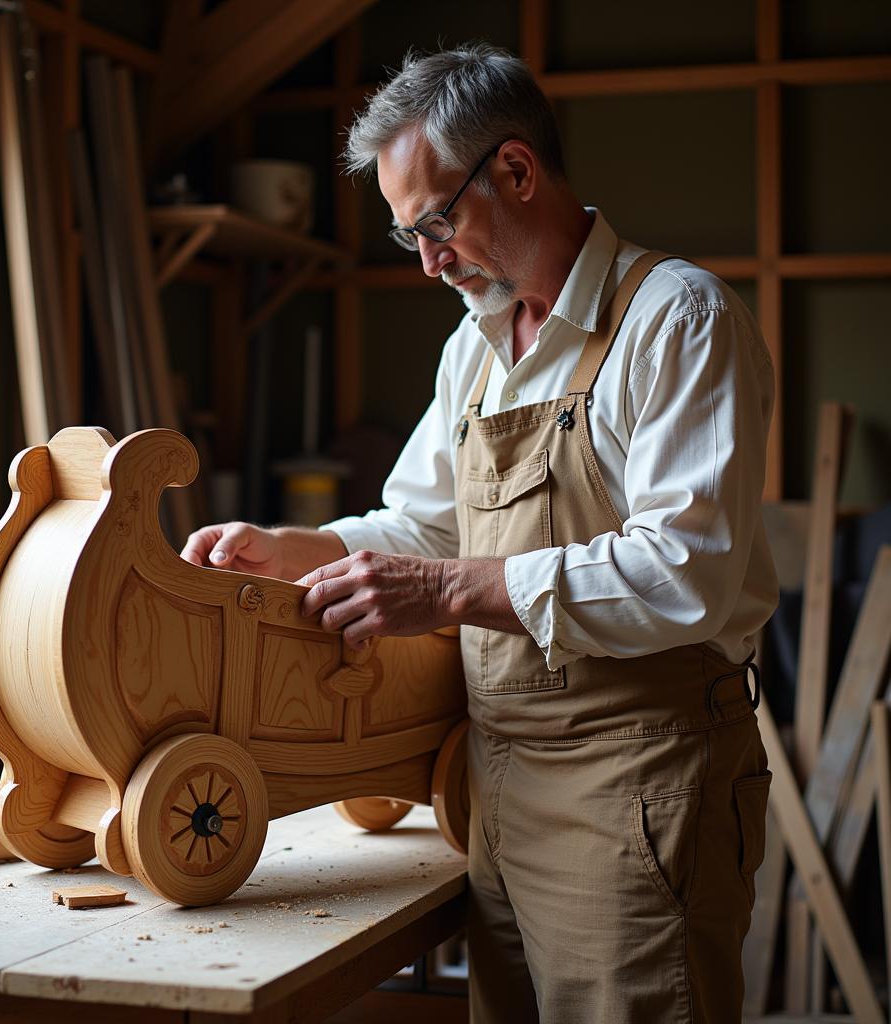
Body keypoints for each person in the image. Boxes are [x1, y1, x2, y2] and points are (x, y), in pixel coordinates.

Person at [182, 43, 778, 1024]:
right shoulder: (477, 345)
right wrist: (296, 548)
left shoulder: (673, 320)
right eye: (405, 235)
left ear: (514, 170)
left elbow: (684, 572)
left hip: (637, 782)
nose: (426, 260)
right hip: (494, 784)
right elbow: (420, 521)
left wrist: (451, 591)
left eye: (434, 222)